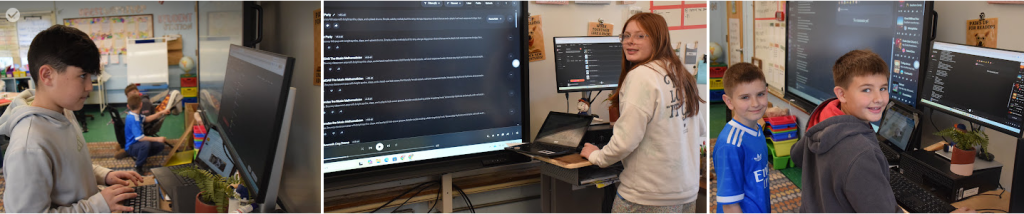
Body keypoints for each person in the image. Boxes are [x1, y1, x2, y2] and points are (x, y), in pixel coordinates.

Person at [791, 50, 972, 213]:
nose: (879, 98)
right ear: (841, 94)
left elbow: (796, 155)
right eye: (867, 90)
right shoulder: (861, 153)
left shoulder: (822, 121)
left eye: (883, 88)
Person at [0, 24, 143, 213]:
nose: (89, 87)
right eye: (82, 76)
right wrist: (97, 206)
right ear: (47, 75)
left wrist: (105, 175)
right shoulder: (29, 146)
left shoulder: (64, 112)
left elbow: (71, 167)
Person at [579, 12, 705, 213]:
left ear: (658, 39)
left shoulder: (641, 76)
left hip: (647, 197)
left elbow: (626, 141)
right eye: (626, 36)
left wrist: (597, 156)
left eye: (640, 36)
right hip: (686, 194)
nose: (630, 42)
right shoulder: (682, 73)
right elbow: (698, 128)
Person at [713, 62, 770, 213]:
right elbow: (730, 205)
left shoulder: (757, 128)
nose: (755, 103)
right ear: (729, 102)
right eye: (745, 97)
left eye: (760, 94)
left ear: (767, 92)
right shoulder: (730, 145)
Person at [125, 92, 168, 174]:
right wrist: (157, 138)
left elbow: (147, 119)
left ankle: (140, 156)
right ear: (141, 105)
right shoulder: (133, 119)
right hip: (131, 146)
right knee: (146, 144)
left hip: (137, 145)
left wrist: (160, 112)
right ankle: (138, 166)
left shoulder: (135, 115)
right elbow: (140, 138)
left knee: (160, 146)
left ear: (128, 106)